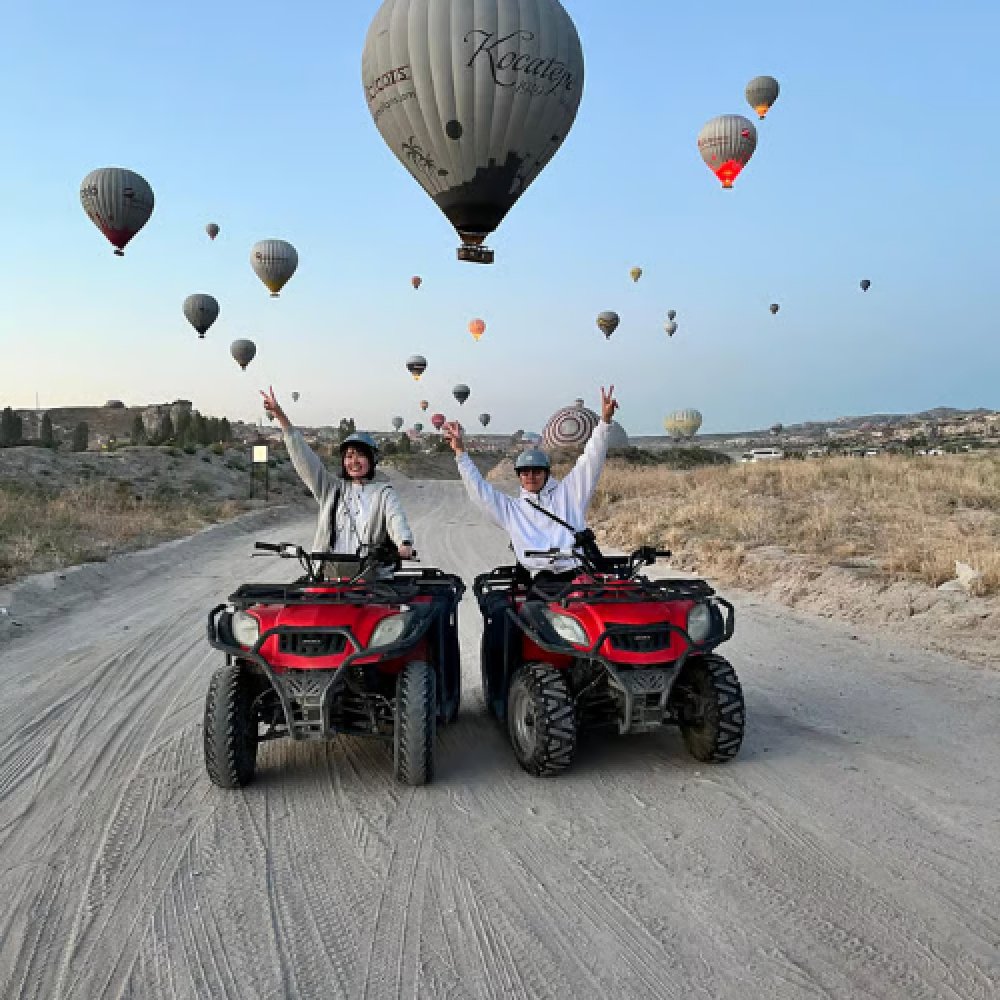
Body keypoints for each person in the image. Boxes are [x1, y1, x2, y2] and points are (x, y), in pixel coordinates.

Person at [442, 385, 619, 586]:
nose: (531, 477)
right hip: (540, 581)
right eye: (525, 472)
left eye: (536, 471)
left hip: (578, 576)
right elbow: (478, 490)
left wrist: (604, 423)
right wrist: (460, 453)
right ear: (519, 476)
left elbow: (590, 461)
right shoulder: (512, 510)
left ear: (546, 473)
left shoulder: (569, 495)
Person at [260, 387, 414, 577]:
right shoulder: (331, 488)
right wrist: (280, 415)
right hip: (328, 577)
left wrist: (404, 543)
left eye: (360, 456)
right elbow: (304, 459)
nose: (354, 462)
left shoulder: (383, 493)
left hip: (369, 577)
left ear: (372, 460)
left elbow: (395, 518)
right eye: (349, 456)